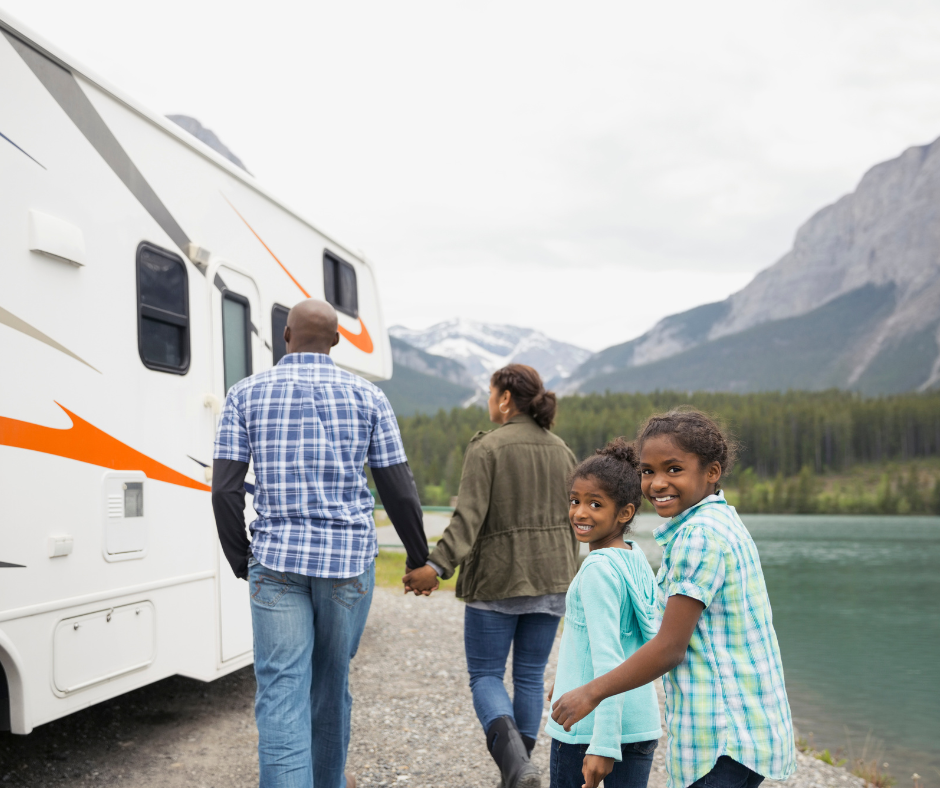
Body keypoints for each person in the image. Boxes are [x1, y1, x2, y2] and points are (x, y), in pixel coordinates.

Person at [211, 298, 432, 788]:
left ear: (284, 338)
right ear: (335, 342)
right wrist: (419, 558)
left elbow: (226, 487)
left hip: (276, 561)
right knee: (330, 687)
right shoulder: (369, 397)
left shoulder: (245, 394)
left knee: (281, 689)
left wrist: (241, 558)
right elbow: (397, 487)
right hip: (348, 564)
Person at [551, 409, 797, 788]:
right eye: (648, 471)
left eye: (674, 469)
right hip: (752, 727)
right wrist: (578, 677)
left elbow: (669, 648)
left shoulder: (697, 538)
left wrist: (592, 693)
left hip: (722, 732)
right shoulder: (722, 521)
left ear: (711, 472)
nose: (657, 483)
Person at [403, 364, 579, 788]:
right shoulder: (562, 450)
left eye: (490, 392)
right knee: (530, 675)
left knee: (485, 675)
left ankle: (517, 768)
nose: (488, 401)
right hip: (555, 576)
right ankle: (522, 769)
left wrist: (436, 567)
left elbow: (468, 518)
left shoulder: (488, 447)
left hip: (500, 578)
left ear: (504, 399)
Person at [545, 439, 661, 788]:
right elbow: (628, 640)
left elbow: (609, 657)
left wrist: (604, 744)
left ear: (624, 513)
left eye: (595, 504)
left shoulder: (597, 571)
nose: (580, 512)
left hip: (591, 732)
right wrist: (566, 679)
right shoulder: (634, 557)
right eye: (575, 501)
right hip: (639, 723)